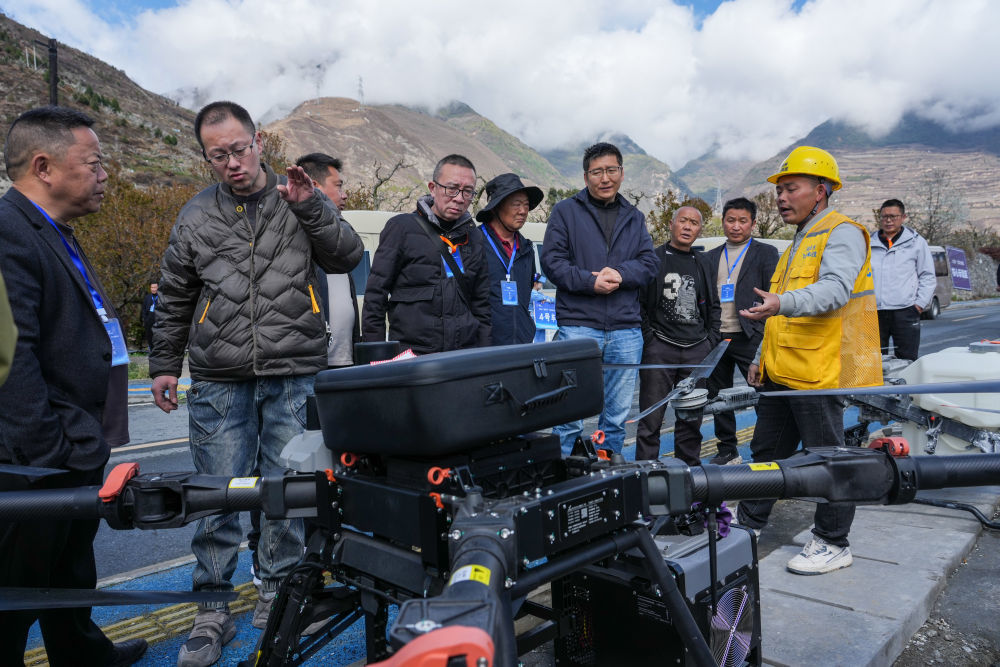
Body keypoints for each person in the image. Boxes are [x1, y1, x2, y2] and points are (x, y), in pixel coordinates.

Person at [149, 101, 363, 667]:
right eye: (217, 155)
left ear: (259, 142)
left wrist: (311, 206)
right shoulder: (195, 214)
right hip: (219, 377)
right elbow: (175, 295)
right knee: (215, 493)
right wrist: (164, 363)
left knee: (285, 491)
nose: (232, 163)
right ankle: (212, 607)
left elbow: (348, 255)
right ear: (206, 157)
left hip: (294, 370)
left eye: (239, 149)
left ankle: (278, 597)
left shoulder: (300, 198)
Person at [0, 106, 147, 666]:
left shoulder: (51, 230)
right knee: (16, 585)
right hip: (36, 458)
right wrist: (49, 452)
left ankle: (82, 654)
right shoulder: (7, 232)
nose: (105, 175)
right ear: (44, 167)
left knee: (68, 566)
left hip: (75, 441)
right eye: (94, 163)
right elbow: (9, 357)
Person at [736, 146, 882, 575]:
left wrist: (781, 303)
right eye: (779, 190)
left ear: (820, 190)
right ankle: (747, 528)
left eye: (791, 189)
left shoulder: (842, 232)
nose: (781, 198)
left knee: (827, 460)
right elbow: (779, 311)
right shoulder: (799, 240)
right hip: (782, 372)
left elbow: (835, 290)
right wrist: (760, 357)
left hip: (820, 373)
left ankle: (833, 542)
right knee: (766, 454)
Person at [540, 142, 659, 456]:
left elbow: (649, 263)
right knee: (569, 415)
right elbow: (552, 262)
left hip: (626, 330)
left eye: (611, 170)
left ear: (621, 172)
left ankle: (608, 472)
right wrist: (590, 282)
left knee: (616, 419)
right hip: (578, 327)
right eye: (597, 172)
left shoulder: (634, 217)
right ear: (585, 176)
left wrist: (620, 274)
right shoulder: (566, 211)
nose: (605, 178)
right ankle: (564, 474)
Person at [361, 154, 491, 353]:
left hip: (463, 355)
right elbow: (375, 298)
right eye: (452, 188)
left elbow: (482, 305)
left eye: (468, 192)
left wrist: (483, 356)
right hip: (413, 355)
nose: (459, 198)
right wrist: (377, 355)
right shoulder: (402, 228)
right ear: (432, 187)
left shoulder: (474, 237)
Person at [636, 206, 720, 463]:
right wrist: (650, 339)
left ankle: (689, 473)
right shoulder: (654, 258)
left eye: (694, 223)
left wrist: (710, 341)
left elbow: (713, 305)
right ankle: (646, 471)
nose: (687, 226)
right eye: (683, 221)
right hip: (660, 348)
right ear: (671, 224)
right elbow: (639, 303)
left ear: (699, 230)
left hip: (697, 349)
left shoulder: (704, 262)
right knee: (651, 419)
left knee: (691, 420)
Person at [704, 198, 779, 465]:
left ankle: (770, 450)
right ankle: (727, 450)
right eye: (730, 220)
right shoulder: (710, 256)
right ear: (723, 222)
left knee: (763, 393)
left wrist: (761, 330)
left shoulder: (766, 253)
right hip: (717, 336)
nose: (736, 226)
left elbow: (773, 294)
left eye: (742, 221)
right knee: (718, 397)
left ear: (753, 223)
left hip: (750, 335)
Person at [295, 152, 361, 368]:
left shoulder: (339, 238)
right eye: (338, 186)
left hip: (345, 362)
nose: (345, 195)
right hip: (312, 365)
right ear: (313, 186)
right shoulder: (293, 236)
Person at [473, 173, 543, 345]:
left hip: (521, 345)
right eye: (516, 204)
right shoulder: (474, 243)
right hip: (483, 346)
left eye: (526, 205)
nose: (523, 211)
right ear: (496, 207)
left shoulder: (526, 249)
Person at [871, 199, 935, 361]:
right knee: (872, 362)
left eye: (893, 216)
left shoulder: (916, 243)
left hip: (905, 311)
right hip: (874, 312)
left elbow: (927, 275)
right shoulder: (868, 243)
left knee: (908, 360)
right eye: (884, 216)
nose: (888, 220)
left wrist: (919, 305)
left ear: (903, 217)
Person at [141, 282, 158, 351]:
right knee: (149, 335)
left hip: (158, 319)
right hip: (149, 320)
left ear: (158, 288)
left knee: (157, 336)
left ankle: (158, 350)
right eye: (152, 287)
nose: (153, 289)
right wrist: (145, 319)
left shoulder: (161, 297)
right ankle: (151, 349)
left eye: (155, 287)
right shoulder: (147, 297)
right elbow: (143, 309)